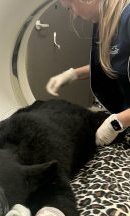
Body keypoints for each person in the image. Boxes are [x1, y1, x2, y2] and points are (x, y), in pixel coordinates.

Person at [46, 0, 130, 147]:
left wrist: (117, 123)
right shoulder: (109, 20)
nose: (75, 14)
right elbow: (117, 62)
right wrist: (73, 74)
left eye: (71, 6)